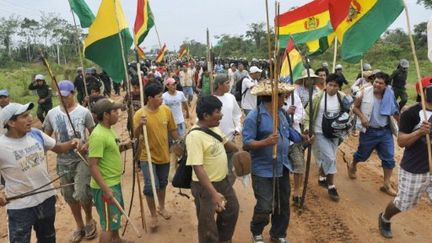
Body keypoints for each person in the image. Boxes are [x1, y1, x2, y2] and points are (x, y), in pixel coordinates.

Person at [0, 102, 79, 243]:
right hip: (20, 207)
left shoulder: (36, 134)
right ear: (11, 122)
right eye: (24, 116)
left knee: (48, 239)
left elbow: (58, 147)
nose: (30, 118)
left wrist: (73, 143)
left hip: (46, 199)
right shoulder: (1, 146)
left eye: (29, 114)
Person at [243, 81, 303, 243]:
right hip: (262, 169)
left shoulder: (281, 113)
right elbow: (247, 143)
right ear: (273, 97)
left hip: (282, 166)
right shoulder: (254, 117)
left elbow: (289, 132)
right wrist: (265, 142)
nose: (285, 98)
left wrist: (303, 139)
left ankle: (278, 234)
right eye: (283, 95)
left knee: (282, 203)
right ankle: (256, 230)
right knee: (265, 205)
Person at [43, 80, 97, 242]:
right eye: (59, 95)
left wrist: (86, 145)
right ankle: (79, 225)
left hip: (81, 160)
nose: (62, 98)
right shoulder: (52, 114)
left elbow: (94, 135)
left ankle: (89, 219)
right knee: (69, 196)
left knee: (82, 193)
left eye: (65, 95)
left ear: (73, 93)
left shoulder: (84, 112)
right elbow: (45, 137)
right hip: (63, 161)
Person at [378, 76, 432, 239]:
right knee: (403, 203)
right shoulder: (412, 114)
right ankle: (385, 218)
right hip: (414, 169)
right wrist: (419, 132)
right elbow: (401, 142)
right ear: (422, 92)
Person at [186, 95, 240, 243]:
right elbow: (198, 168)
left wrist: (240, 151)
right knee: (207, 226)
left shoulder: (214, 127)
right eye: (218, 111)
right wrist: (213, 193)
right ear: (205, 115)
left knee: (231, 211)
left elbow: (225, 143)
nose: (221, 115)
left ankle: (224, 240)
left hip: (224, 181)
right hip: (205, 188)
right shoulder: (194, 136)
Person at [133, 83, 181, 231]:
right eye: (159, 96)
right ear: (149, 98)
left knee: (162, 183)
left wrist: (180, 144)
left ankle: (161, 207)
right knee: (149, 186)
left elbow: (173, 130)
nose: (162, 99)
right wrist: (140, 125)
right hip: (147, 156)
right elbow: (135, 136)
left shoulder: (166, 111)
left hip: (164, 154)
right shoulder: (139, 114)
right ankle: (153, 215)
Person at [88, 98, 133, 243]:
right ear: (106, 115)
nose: (118, 114)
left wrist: (128, 146)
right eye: (114, 111)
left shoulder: (109, 130)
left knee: (114, 217)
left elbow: (113, 149)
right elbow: (93, 165)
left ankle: (117, 239)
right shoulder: (98, 135)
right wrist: (106, 189)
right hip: (106, 186)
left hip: (113, 181)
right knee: (107, 224)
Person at [348, 72, 400, 196]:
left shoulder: (390, 94)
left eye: (380, 83)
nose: (377, 84)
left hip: (385, 131)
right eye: (376, 81)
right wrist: (362, 117)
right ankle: (353, 164)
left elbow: (395, 111)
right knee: (362, 155)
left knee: (388, 158)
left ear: (386, 85)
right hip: (369, 131)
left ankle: (386, 184)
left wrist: (402, 126)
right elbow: (354, 107)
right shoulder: (364, 92)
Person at [304, 74, 349, 202]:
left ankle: (322, 177)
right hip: (319, 132)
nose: (332, 88)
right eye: (330, 85)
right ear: (326, 85)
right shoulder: (318, 97)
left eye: (335, 86)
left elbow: (347, 112)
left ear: (339, 87)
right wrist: (307, 128)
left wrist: (346, 128)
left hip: (335, 134)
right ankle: (331, 186)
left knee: (330, 157)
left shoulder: (342, 98)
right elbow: (307, 113)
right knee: (330, 158)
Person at [213, 74, 242, 181]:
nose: (229, 85)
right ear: (219, 85)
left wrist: (238, 128)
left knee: (230, 169)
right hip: (214, 142)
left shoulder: (231, 97)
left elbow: (237, 114)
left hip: (230, 140)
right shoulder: (211, 99)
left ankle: (226, 191)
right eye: (227, 83)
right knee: (217, 169)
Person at [283, 85, 306, 208]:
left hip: (294, 137)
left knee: (299, 165)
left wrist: (293, 119)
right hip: (279, 140)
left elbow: (301, 113)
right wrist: (286, 115)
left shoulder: (295, 97)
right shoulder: (273, 98)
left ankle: (297, 192)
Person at [0, 89, 10, 189]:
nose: (3, 100)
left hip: (15, 140)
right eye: (0, 98)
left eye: (5, 97)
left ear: (9, 98)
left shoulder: (16, 109)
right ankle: (4, 184)